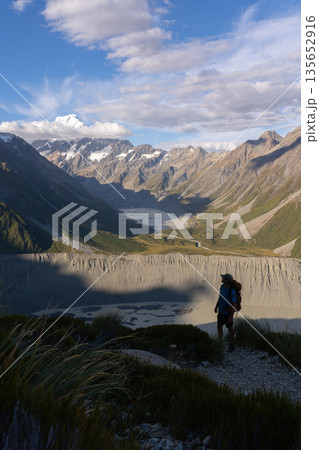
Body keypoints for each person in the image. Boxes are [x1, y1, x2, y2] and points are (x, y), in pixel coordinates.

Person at [214, 273, 236, 352]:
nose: (222, 278)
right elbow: (220, 298)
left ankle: (232, 344)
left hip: (228, 313)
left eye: (223, 278)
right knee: (219, 326)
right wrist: (216, 306)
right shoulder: (222, 287)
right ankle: (220, 342)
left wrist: (231, 316)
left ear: (226, 280)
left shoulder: (231, 290)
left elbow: (234, 304)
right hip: (221, 311)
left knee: (230, 328)